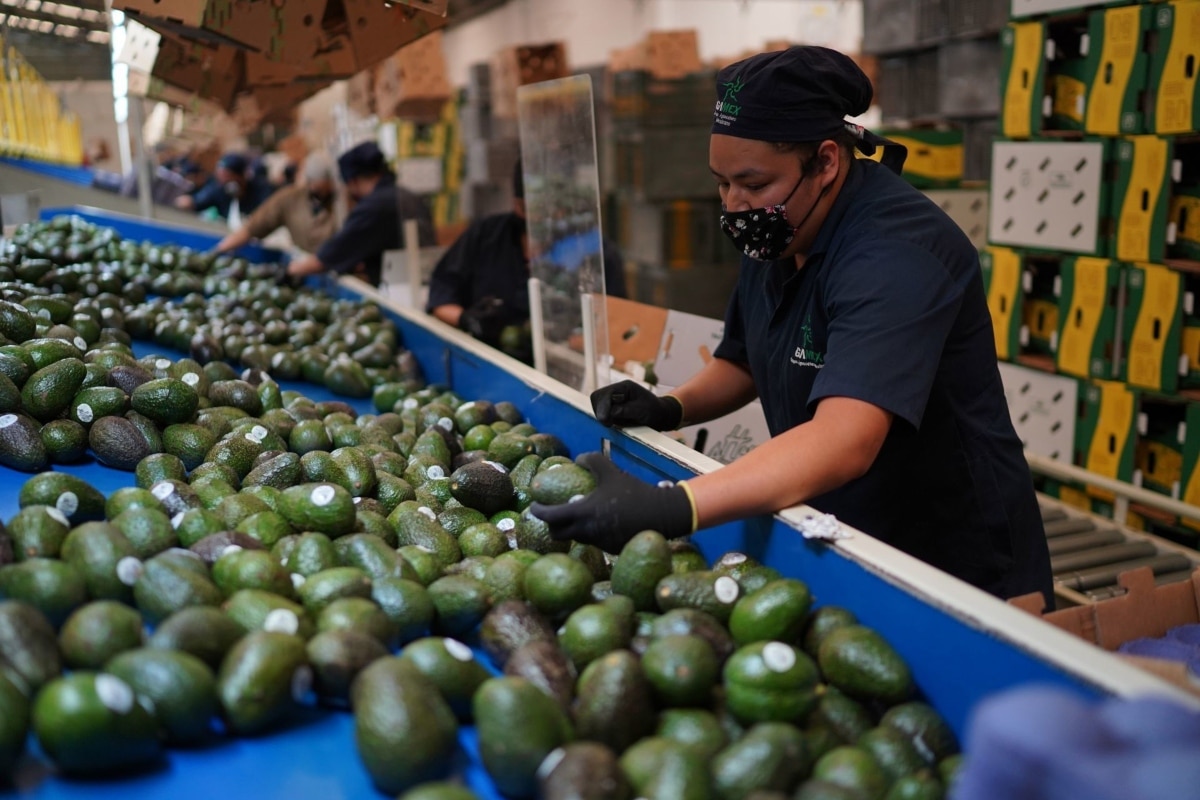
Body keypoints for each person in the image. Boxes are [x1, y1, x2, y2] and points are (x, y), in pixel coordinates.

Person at [531, 46, 1054, 605]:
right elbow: (745, 358)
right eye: (722, 183)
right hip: (841, 527)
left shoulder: (898, 255)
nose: (734, 205)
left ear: (826, 162)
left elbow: (843, 440)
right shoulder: (782, 228)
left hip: (948, 560)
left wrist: (676, 505)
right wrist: (670, 406)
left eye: (753, 185)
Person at [427, 159, 628, 347]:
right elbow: (441, 296)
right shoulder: (485, 235)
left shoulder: (594, 252)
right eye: (542, 209)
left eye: (561, 209)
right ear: (519, 206)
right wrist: (466, 319)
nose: (554, 218)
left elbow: (617, 327)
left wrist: (565, 345)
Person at [287, 141, 435, 286]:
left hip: (401, 291)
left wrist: (293, 269)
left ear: (353, 181)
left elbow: (333, 253)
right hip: (426, 282)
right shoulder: (410, 196)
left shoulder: (373, 207)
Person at [212, 154, 338, 256]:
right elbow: (253, 227)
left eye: (326, 189)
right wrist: (217, 251)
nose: (321, 194)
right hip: (303, 261)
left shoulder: (341, 203)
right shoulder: (290, 198)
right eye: (316, 188)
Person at [175, 152, 275, 218]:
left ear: (242, 175)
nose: (224, 181)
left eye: (228, 177)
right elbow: (195, 202)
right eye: (220, 177)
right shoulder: (219, 191)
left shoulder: (263, 189)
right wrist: (186, 202)